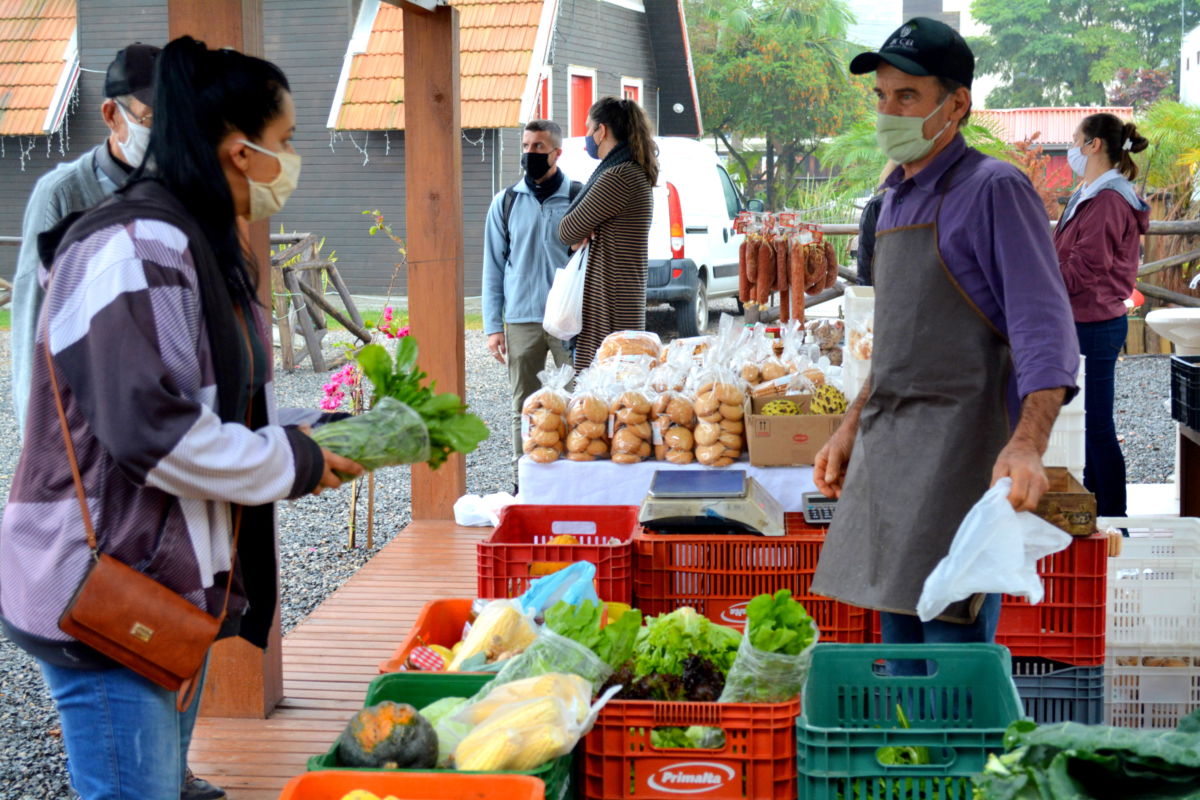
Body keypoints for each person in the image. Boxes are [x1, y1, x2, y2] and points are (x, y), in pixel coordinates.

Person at [0, 36, 363, 800]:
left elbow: (209, 404)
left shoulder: (188, 239)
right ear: (237, 151)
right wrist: (291, 461)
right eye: (285, 141)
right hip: (102, 590)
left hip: (163, 586)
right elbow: (153, 432)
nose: (290, 161)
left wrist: (312, 433)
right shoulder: (138, 245)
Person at [810, 17, 1080, 659]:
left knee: (949, 654)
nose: (888, 111)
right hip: (891, 450)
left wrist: (1026, 443)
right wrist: (852, 423)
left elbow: (1045, 330)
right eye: (881, 96)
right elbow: (899, 336)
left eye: (908, 97)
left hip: (961, 457)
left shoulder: (994, 190)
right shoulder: (894, 198)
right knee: (899, 644)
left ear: (956, 105)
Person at [10, 43, 160, 439]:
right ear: (112, 115)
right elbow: (32, 321)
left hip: (163, 421)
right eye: (151, 119)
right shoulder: (62, 194)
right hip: (86, 420)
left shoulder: (182, 192)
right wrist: (40, 440)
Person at [1054, 113, 1150, 518]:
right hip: (1081, 320)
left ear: (1094, 144)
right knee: (1084, 427)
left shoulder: (1109, 199)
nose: (1072, 147)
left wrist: (1035, 279)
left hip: (1093, 324)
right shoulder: (1090, 192)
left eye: (1076, 139)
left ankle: (1113, 517)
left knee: (1095, 428)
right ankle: (1094, 513)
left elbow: (1085, 271)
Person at [481, 119, 580, 472]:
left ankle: (574, 470)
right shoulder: (505, 202)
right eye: (525, 146)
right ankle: (524, 475)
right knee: (523, 404)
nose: (529, 153)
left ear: (557, 152)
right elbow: (493, 266)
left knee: (578, 400)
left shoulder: (577, 197)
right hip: (521, 319)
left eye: (538, 147)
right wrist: (494, 326)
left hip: (569, 321)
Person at [558, 97, 657, 370]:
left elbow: (566, 230)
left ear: (602, 131)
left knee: (603, 396)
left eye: (589, 129)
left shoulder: (618, 177)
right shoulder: (631, 171)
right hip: (621, 297)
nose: (586, 137)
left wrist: (583, 231)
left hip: (609, 303)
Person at [854, 159, 896, 286]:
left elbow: (865, 258)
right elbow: (867, 258)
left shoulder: (877, 205)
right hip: (886, 289)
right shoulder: (878, 205)